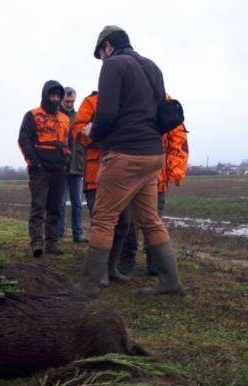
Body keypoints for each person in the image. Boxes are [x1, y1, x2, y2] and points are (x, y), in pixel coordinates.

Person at [77, 26, 184, 296]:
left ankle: (88, 287)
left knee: (103, 219)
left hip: (124, 154)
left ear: (108, 46)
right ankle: (171, 282)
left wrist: (92, 132)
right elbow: (160, 112)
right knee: (150, 220)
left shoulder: (113, 66)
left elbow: (107, 113)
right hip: (152, 155)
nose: (101, 59)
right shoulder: (152, 67)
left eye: (100, 53)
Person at [72, 91, 131, 286]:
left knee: (123, 223)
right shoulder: (91, 102)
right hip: (96, 175)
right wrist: (102, 133)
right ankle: (101, 271)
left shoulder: (129, 100)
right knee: (102, 223)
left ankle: (112, 268)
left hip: (123, 175)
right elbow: (78, 131)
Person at [119, 114, 189, 275]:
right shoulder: (131, 101)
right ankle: (126, 260)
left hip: (157, 178)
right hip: (132, 175)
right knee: (129, 221)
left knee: (153, 221)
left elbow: (178, 142)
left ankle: (154, 262)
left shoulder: (167, 105)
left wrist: (175, 172)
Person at [18, 80, 71, 257]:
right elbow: (23, 140)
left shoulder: (65, 118)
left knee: (56, 207)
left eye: (58, 95)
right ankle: (37, 243)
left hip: (59, 168)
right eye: (52, 95)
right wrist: (35, 163)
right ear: (45, 95)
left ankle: (52, 242)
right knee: (38, 206)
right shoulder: (32, 115)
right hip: (40, 169)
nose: (55, 98)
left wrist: (67, 161)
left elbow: (68, 142)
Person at [58, 87, 88, 244]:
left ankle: (78, 234)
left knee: (77, 203)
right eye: (66, 101)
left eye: (71, 101)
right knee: (60, 203)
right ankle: (59, 234)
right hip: (62, 167)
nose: (69, 104)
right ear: (62, 100)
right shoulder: (56, 117)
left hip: (77, 167)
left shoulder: (80, 118)